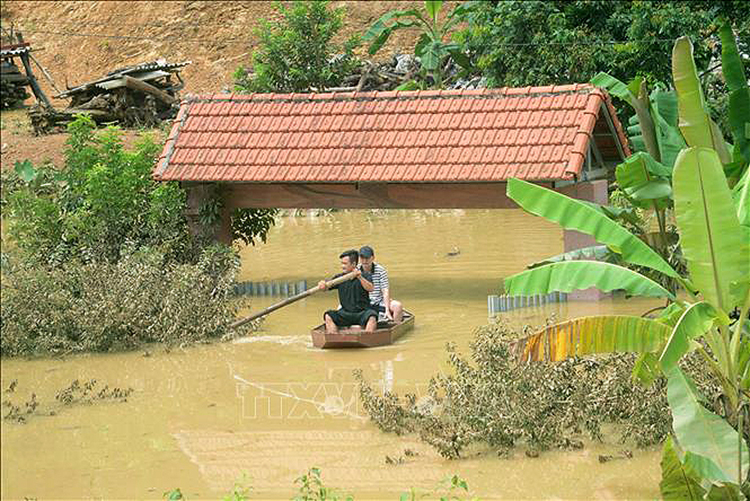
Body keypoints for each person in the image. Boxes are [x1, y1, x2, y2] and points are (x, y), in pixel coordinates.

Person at [318, 249, 377, 334]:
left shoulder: (365, 275)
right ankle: (334, 338)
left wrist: (359, 277)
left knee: (372, 316)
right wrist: (323, 284)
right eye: (342, 263)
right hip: (345, 313)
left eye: (345, 264)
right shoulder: (339, 278)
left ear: (353, 264)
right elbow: (327, 286)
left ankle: (367, 338)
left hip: (361, 313)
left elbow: (370, 288)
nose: (342, 266)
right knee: (328, 315)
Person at [358, 245, 403, 323]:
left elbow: (385, 291)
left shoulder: (380, 270)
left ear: (373, 258)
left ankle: (395, 328)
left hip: (379, 301)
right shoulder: (356, 270)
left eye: (367, 258)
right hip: (362, 303)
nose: (365, 261)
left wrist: (387, 310)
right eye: (362, 258)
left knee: (397, 306)